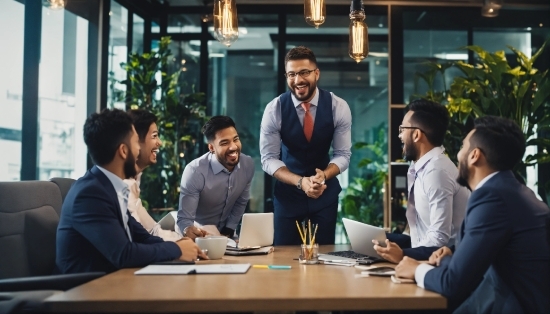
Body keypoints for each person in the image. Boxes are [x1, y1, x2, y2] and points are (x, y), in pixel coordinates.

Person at [395, 116, 550, 313]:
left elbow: (452, 284)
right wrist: (451, 253)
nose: (458, 155)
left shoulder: (492, 197)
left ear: (474, 155)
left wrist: (416, 269)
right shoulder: (514, 189)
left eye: (462, 147)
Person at [56, 109, 206, 274]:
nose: (138, 151)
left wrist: (178, 245)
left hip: (113, 280)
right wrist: (176, 251)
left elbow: (141, 236)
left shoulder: (108, 186)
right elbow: (123, 253)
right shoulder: (90, 194)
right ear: (123, 151)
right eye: (136, 142)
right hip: (88, 289)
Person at [260, 46, 352, 245]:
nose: (298, 80)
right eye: (291, 74)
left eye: (304, 72)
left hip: (324, 194)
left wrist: (323, 176)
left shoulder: (338, 107)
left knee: (324, 257)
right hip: (288, 196)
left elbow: (343, 154)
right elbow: (268, 159)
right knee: (284, 258)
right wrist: (301, 182)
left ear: (316, 73)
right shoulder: (274, 109)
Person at [374, 99, 470, 263]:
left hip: (442, 263)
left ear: (417, 134)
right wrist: (382, 242)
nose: (399, 135)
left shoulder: (436, 171)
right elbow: (419, 233)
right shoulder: (421, 168)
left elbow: (439, 239)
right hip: (425, 257)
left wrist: (403, 255)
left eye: (402, 129)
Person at [177, 116, 254, 240]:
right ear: (212, 148)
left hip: (227, 237)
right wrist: (191, 233)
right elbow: (185, 221)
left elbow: (241, 201)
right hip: (200, 238)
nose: (233, 147)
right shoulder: (195, 171)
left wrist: (229, 230)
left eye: (236, 139)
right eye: (224, 143)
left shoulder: (247, 164)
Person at [124, 109, 181, 242]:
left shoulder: (133, 181)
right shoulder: (122, 184)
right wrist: (178, 248)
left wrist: (184, 241)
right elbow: (137, 239)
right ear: (135, 140)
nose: (159, 142)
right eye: (154, 136)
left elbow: (152, 230)